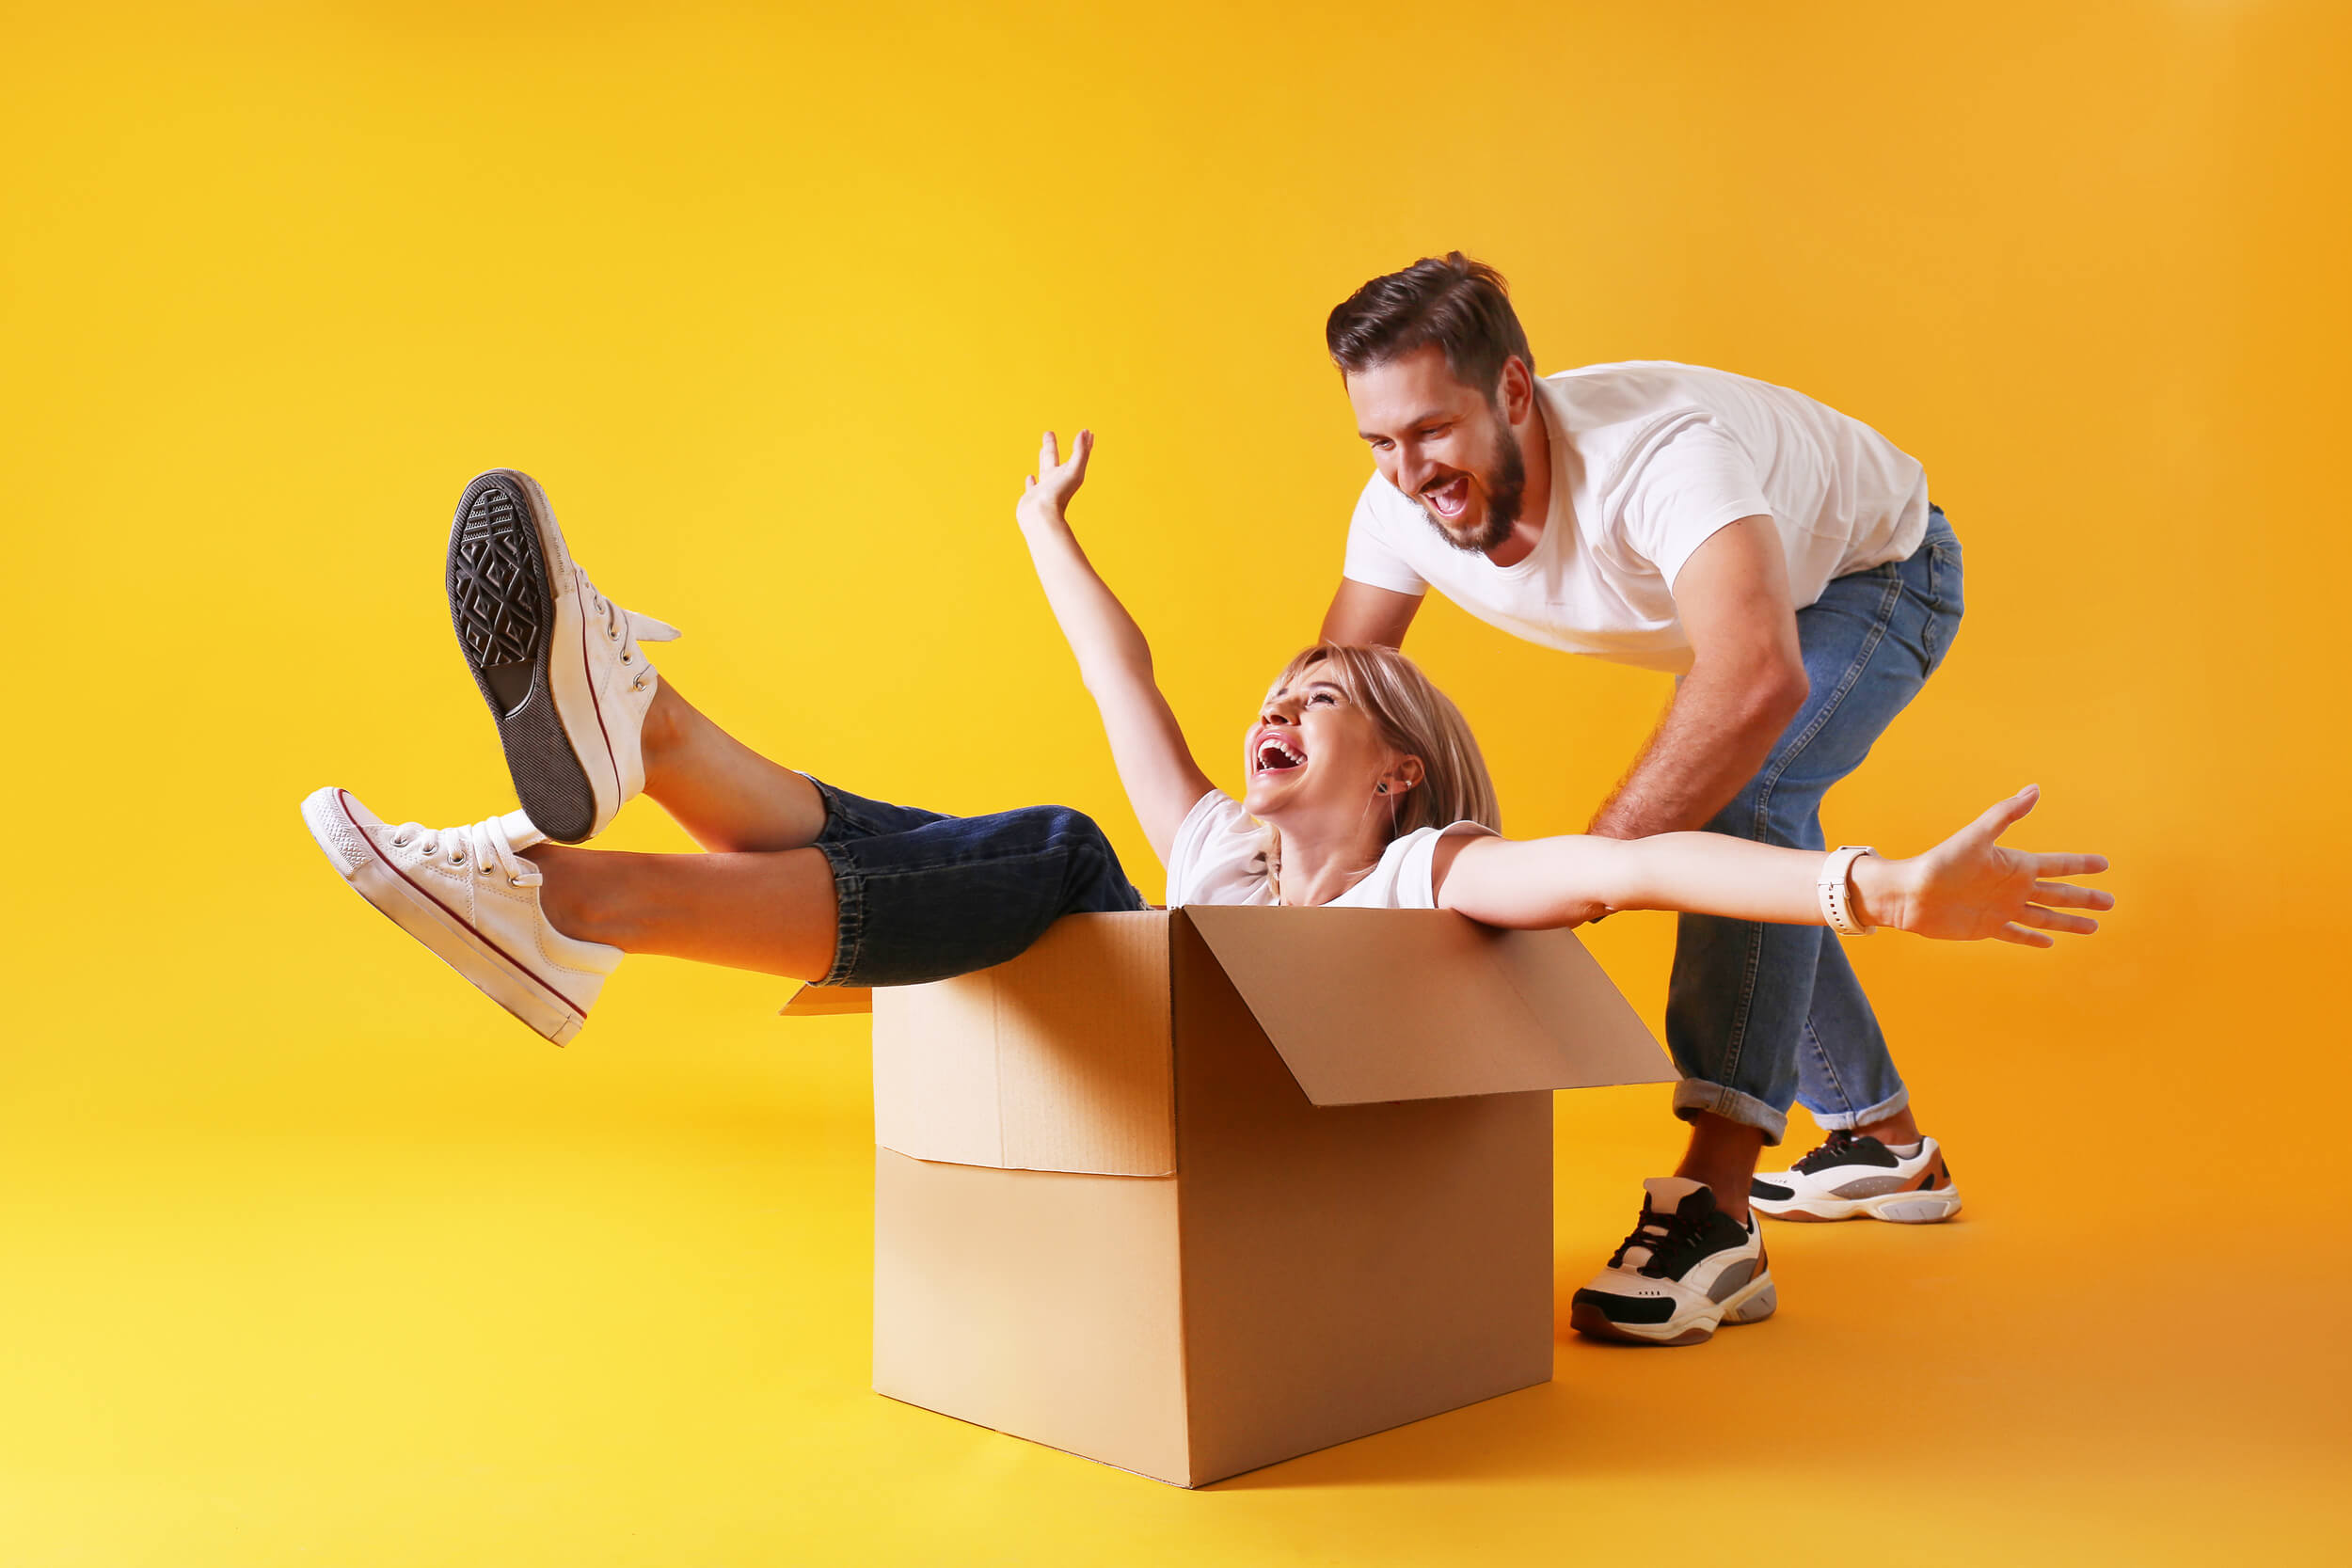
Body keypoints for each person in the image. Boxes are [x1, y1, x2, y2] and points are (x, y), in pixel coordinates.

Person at [302, 441, 2109, 1348]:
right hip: (1127, 1079)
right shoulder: (1225, 853)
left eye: (1318, 698)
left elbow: (1635, 861)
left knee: (1052, 858)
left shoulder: (1425, 879)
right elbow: (1131, 684)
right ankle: (640, 727)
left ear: (1399, 767)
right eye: (1275, 696)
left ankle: (566, 891)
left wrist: (1874, 885)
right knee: (963, 841)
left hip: (1234, 1150)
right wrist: (1045, 534)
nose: (1274, 710)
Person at [1316, 251, 2039, 1339]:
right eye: (1379, 442)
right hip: (1750, 617)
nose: (1410, 472)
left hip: (1876, 574)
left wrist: (1587, 872)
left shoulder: (1658, 457)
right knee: (1747, 829)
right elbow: (1336, 692)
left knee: (1747, 804)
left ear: (1512, 389)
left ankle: (1717, 1204)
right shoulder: (1396, 507)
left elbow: (1754, 676)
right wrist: (1295, 883)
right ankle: (1883, 1139)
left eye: (1431, 430)